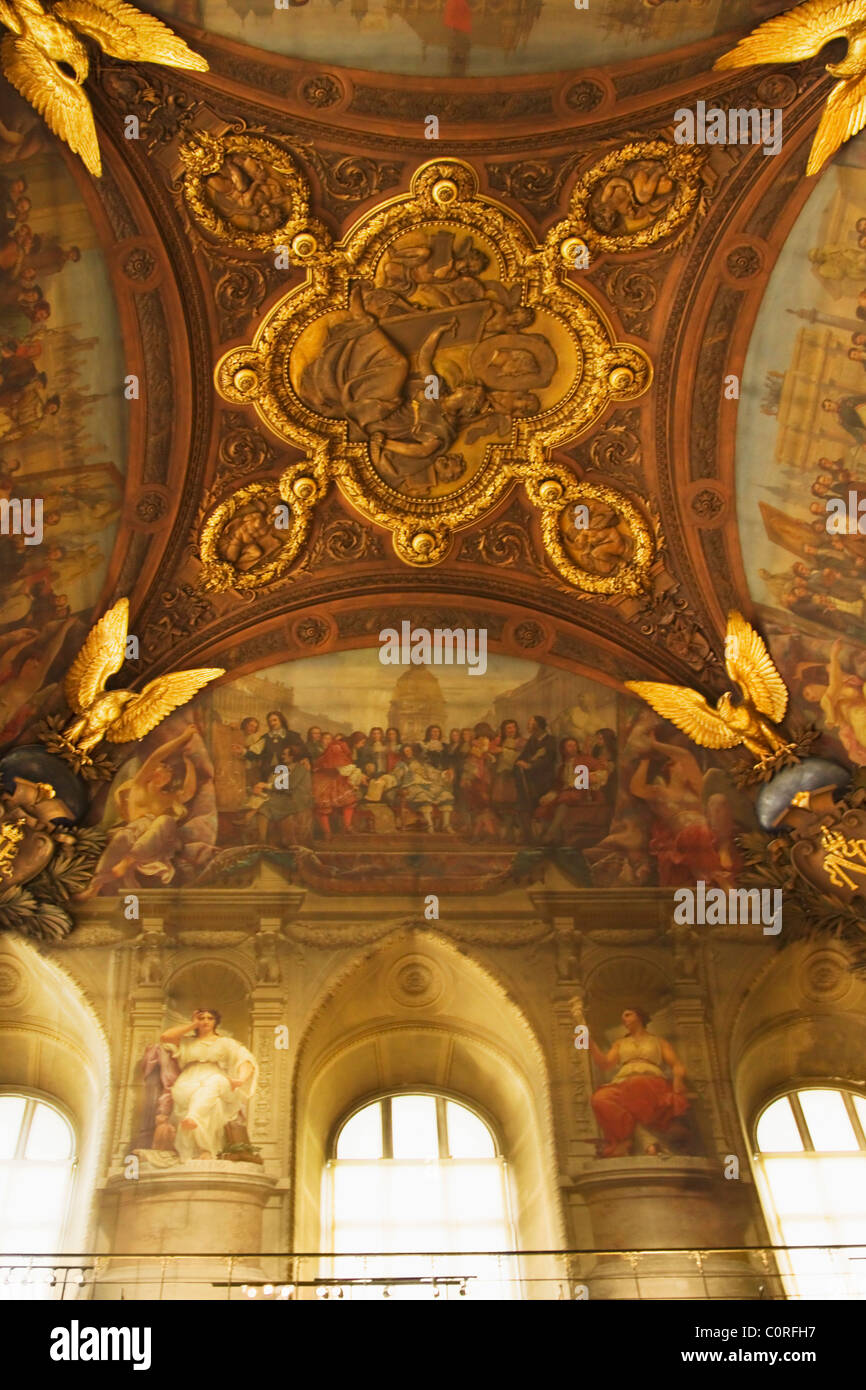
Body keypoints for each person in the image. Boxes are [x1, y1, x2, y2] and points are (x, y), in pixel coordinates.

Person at [585, 1006, 689, 1157]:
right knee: (600, 1099)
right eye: (623, 1016)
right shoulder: (620, 1043)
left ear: (639, 1016)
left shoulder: (658, 1042)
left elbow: (677, 1065)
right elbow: (605, 1064)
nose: (624, 1019)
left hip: (651, 1082)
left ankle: (637, 1143)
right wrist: (590, 1044)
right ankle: (628, 1140)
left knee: (637, 1083)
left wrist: (678, 1079)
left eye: (628, 1014)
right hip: (622, 1082)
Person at [159, 1009, 257, 1161]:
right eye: (201, 1018)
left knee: (215, 1082)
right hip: (187, 1081)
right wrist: (192, 1025)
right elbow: (166, 1036)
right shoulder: (186, 1042)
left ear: (215, 1022)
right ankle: (202, 1151)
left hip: (217, 1079)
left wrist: (241, 1080)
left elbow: (246, 1059)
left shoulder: (225, 1043)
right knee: (212, 1103)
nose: (205, 1021)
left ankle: (194, 1120)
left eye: (209, 1018)